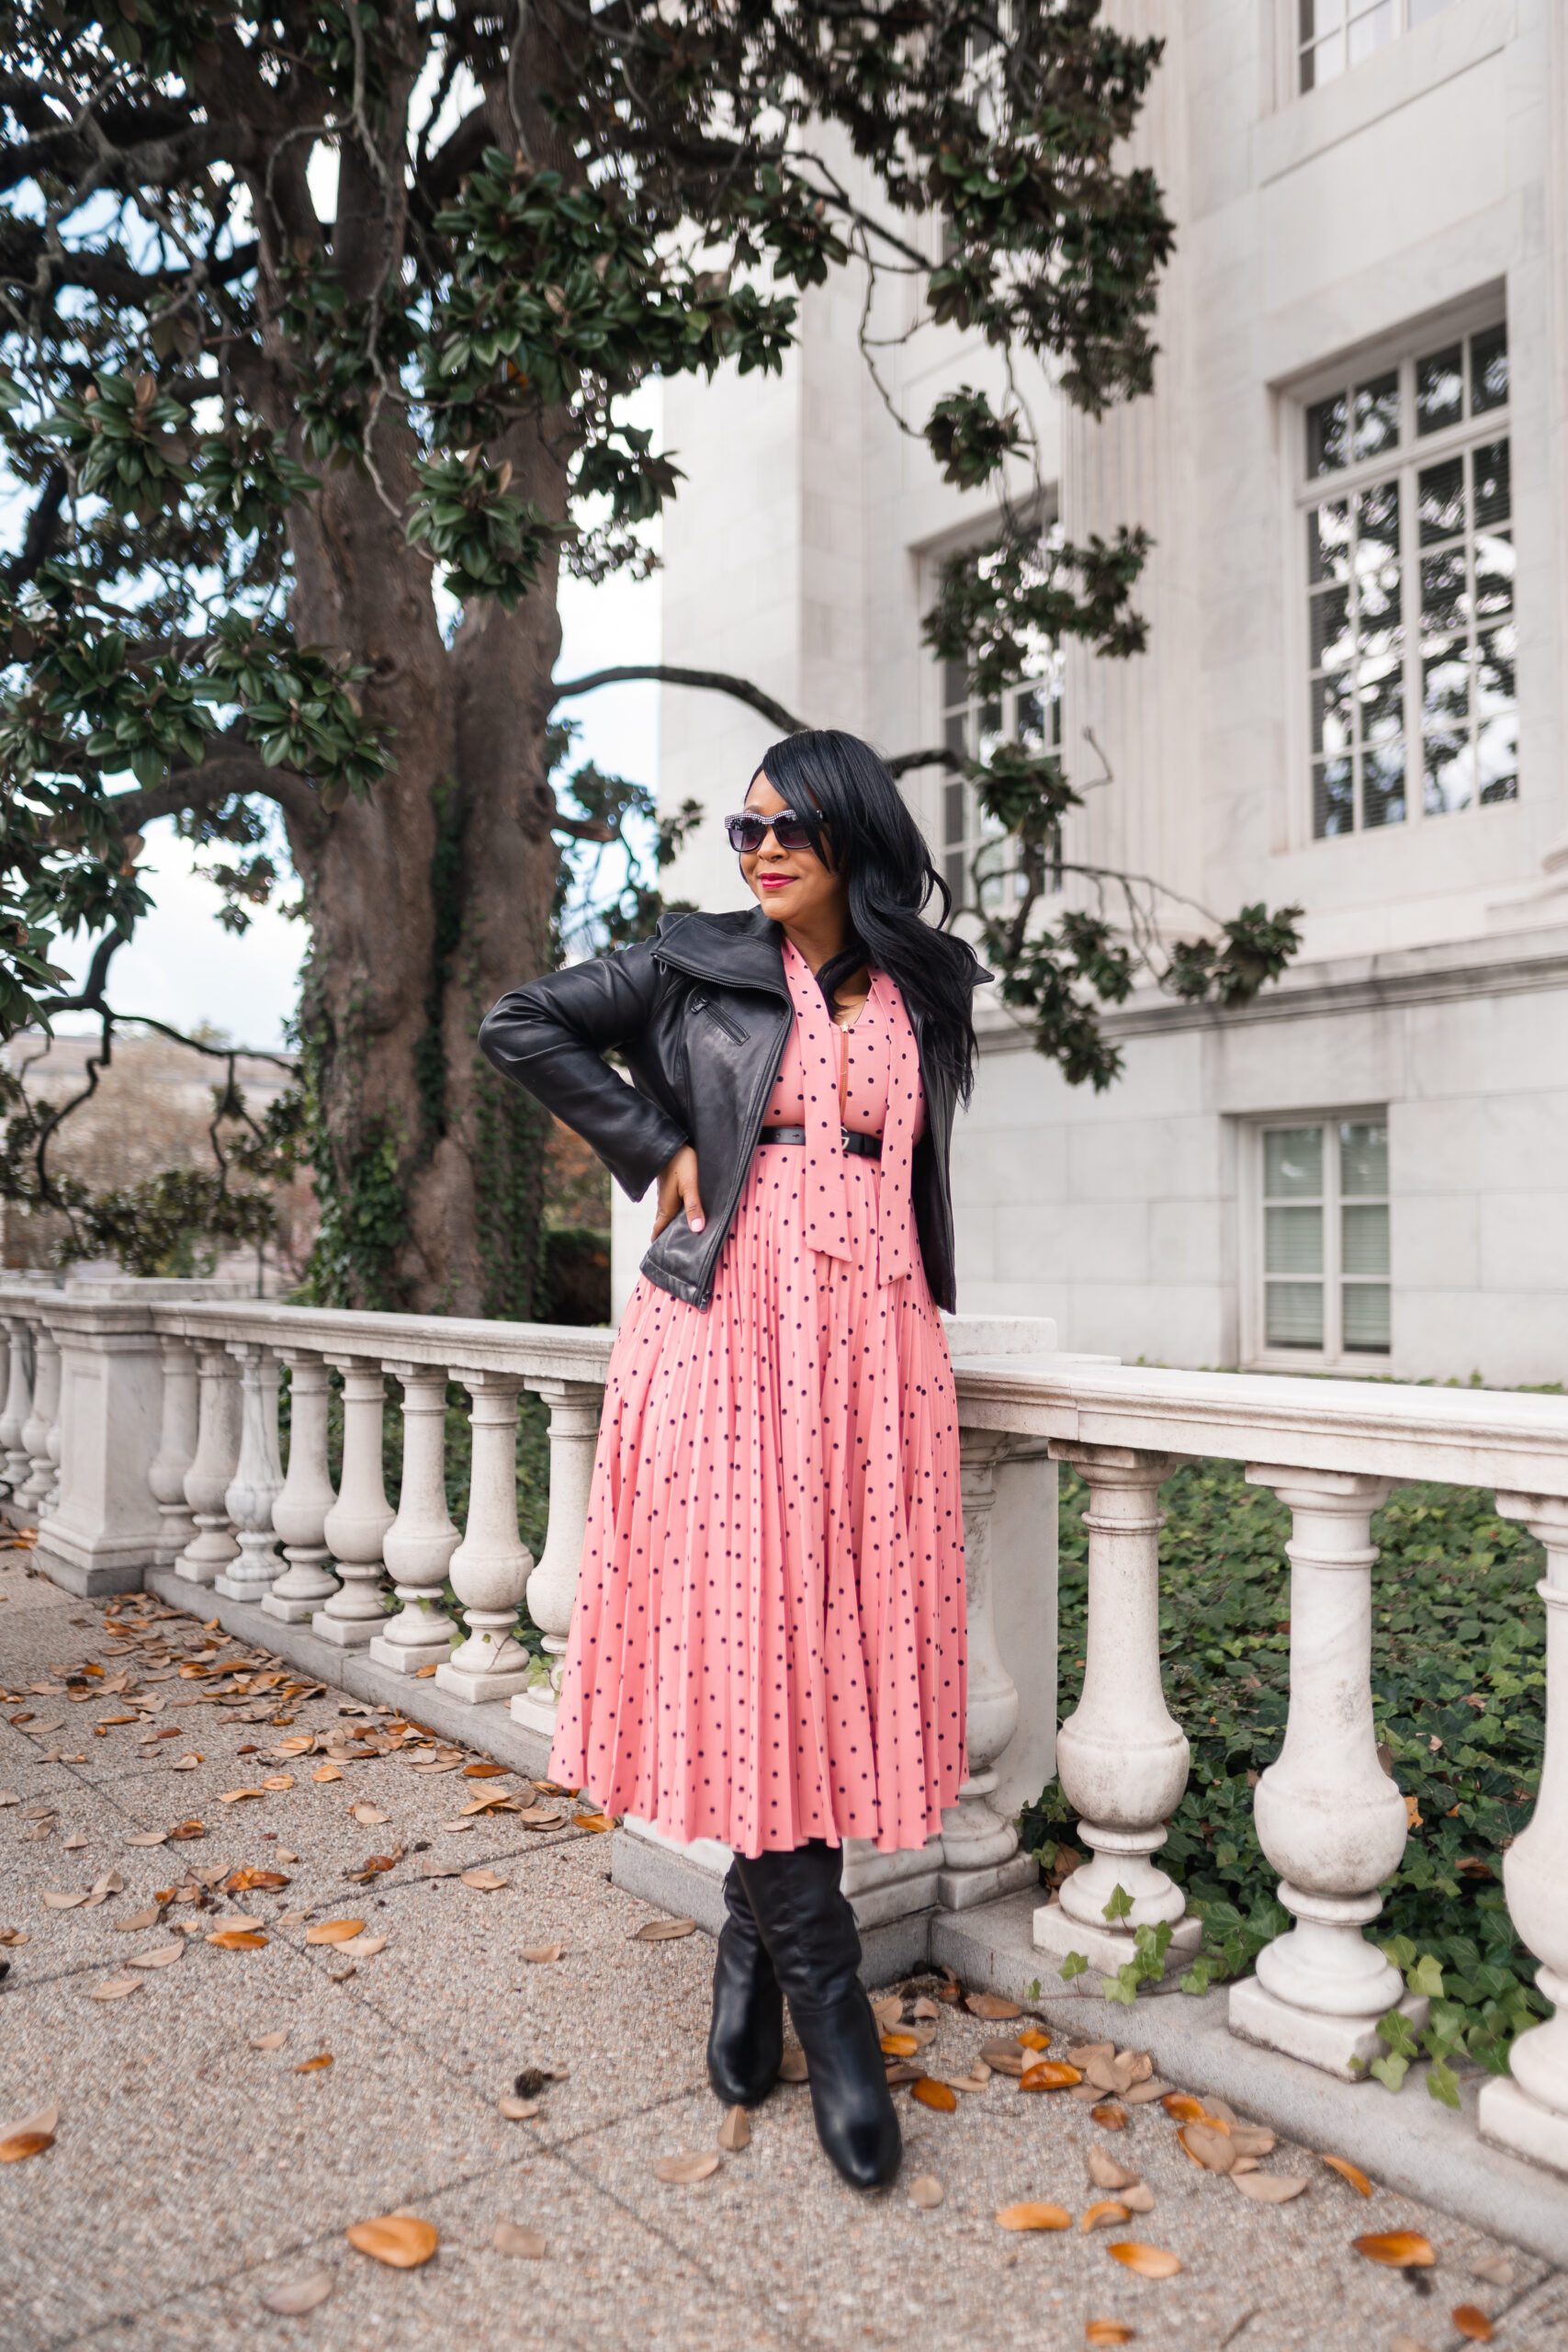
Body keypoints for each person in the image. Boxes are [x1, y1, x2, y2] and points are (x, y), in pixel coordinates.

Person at [479, 728, 985, 2189]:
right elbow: (521, 1021)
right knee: (756, 1646)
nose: (759, 850)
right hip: (725, 1336)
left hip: (877, 1350)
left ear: (851, 834)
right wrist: (650, 1139)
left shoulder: (924, 988)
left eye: (786, 828)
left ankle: (745, 1962)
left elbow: (910, 1169)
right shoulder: (692, 963)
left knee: (832, 1655)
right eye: (741, 827)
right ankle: (835, 2024)